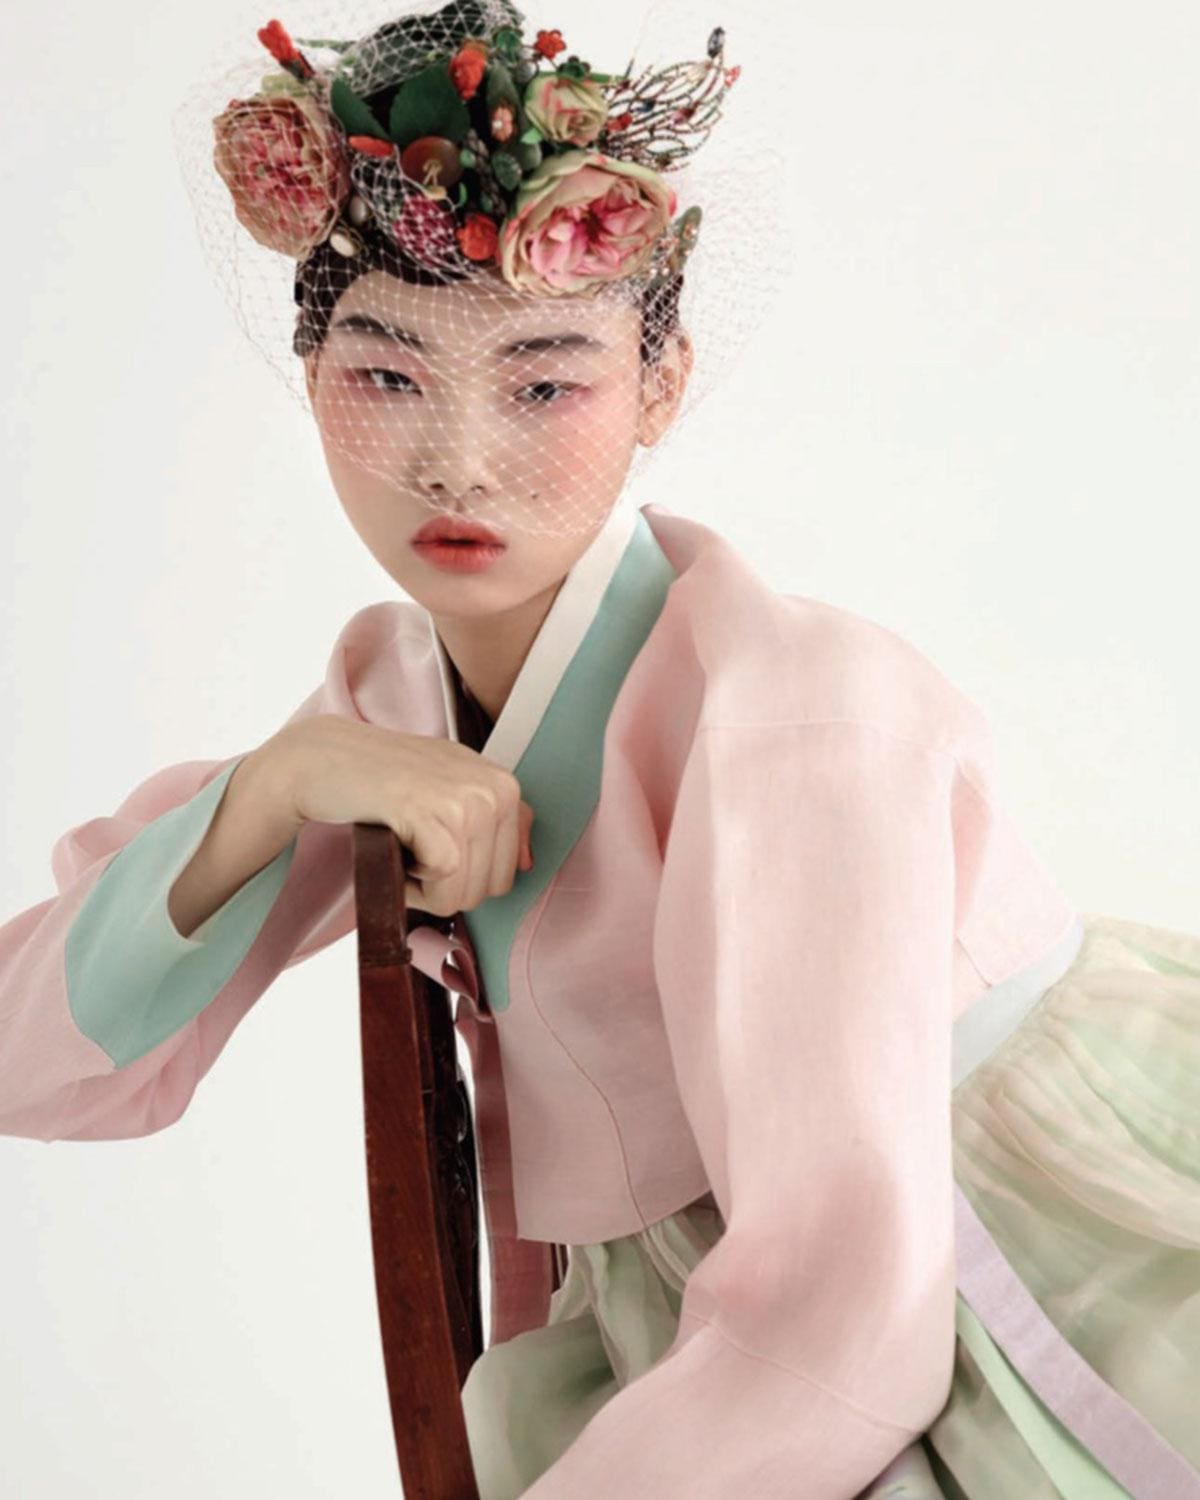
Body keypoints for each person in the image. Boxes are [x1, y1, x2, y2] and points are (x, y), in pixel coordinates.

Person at [4, 4, 1199, 1497]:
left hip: (991, 1265)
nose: (459, 460)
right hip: (720, 1340)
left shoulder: (795, 709)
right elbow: (34, 1061)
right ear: (309, 381)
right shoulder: (385, 707)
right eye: (386, 375)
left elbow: (843, 1317)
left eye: (545, 384)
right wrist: (274, 788)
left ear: (662, 385)